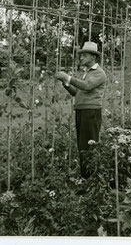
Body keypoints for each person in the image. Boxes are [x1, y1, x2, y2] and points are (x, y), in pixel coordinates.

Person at [55, 41, 107, 178]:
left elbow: (87, 86)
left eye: (84, 55)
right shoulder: (87, 73)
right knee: (82, 146)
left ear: (93, 57)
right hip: (82, 111)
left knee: (90, 146)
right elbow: (76, 92)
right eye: (81, 55)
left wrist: (68, 77)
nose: (81, 58)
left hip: (91, 113)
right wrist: (65, 83)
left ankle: (92, 177)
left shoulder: (99, 73)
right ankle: (86, 177)